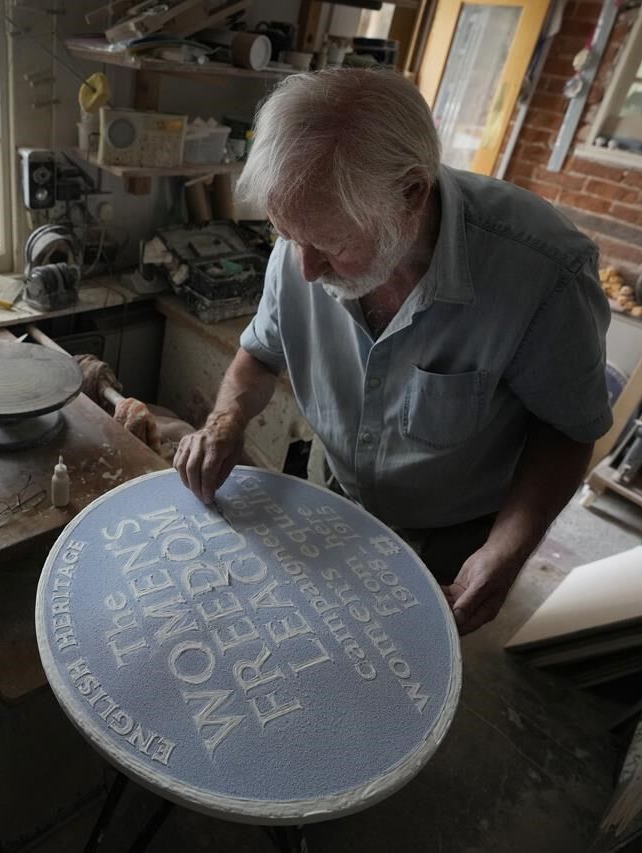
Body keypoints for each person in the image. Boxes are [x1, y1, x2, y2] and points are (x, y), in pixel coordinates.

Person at [173, 69, 612, 635]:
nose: (305, 268)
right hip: (333, 495)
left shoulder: (544, 271)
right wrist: (225, 421)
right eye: (288, 236)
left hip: (451, 530)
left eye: (330, 245)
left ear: (410, 194)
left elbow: (568, 431)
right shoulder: (307, 235)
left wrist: (507, 550)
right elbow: (259, 357)